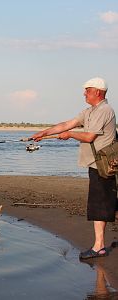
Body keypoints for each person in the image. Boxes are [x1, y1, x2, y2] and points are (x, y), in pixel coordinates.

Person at [31, 77, 117, 259]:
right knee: (105, 203)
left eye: (87, 90)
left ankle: (99, 247)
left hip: (104, 165)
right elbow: (66, 124)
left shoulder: (104, 110)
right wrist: (43, 133)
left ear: (98, 92)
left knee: (100, 205)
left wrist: (69, 135)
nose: (84, 93)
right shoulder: (89, 111)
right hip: (96, 164)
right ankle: (99, 245)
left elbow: (89, 137)